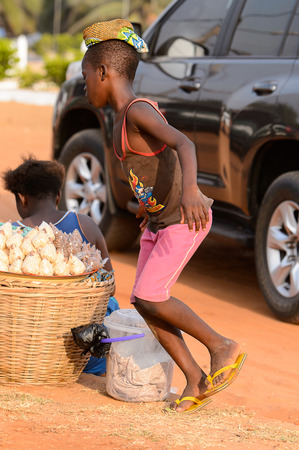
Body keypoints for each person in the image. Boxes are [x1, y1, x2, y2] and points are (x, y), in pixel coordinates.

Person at [81, 19, 247, 414]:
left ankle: (222, 347)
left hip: (185, 219)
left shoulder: (137, 111)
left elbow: (183, 143)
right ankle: (195, 377)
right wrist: (147, 202)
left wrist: (190, 191)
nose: (86, 85)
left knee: (154, 295)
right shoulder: (121, 118)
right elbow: (153, 165)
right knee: (143, 300)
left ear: (104, 72)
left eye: (87, 76)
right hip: (158, 220)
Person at [2, 156, 119, 376]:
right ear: (58, 196)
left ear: (21, 198)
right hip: (85, 354)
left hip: (27, 351)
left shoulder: (10, 234)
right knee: (110, 302)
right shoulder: (86, 225)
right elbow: (110, 285)